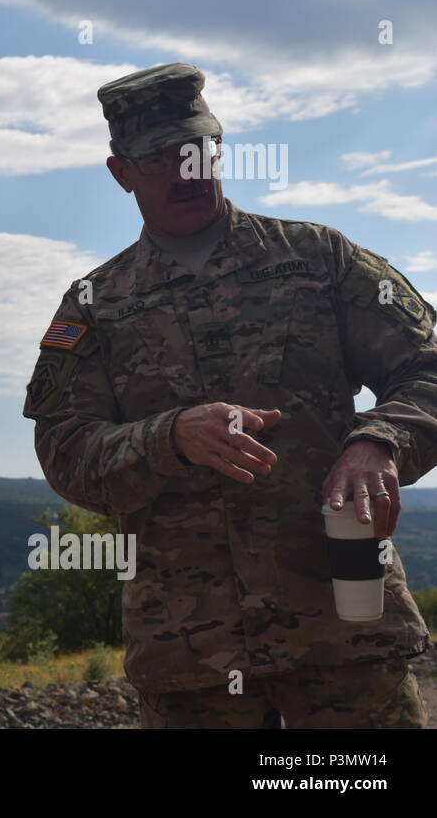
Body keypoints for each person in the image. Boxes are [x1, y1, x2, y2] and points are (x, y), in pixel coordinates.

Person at [23, 62, 435, 728]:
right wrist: (169, 437)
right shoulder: (98, 304)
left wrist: (378, 441)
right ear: (119, 172)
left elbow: (428, 367)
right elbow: (64, 451)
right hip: (192, 657)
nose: (183, 170)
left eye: (195, 149)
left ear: (218, 148)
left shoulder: (318, 260)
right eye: (156, 158)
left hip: (342, 636)